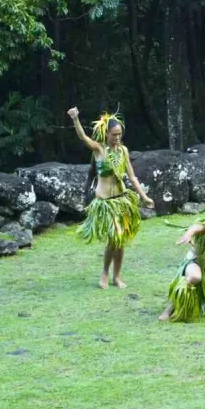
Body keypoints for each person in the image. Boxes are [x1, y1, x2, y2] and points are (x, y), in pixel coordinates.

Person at [68, 107, 153, 289]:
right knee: (114, 238)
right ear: (106, 134)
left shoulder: (123, 151)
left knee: (121, 241)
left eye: (120, 134)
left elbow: (132, 177)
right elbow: (83, 137)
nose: (117, 138)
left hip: (122, 200)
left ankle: (117, 276)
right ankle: (105, 272)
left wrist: (144, 196)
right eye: (114, 134)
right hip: (106, 203)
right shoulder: (99, 150)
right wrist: (75, 119)